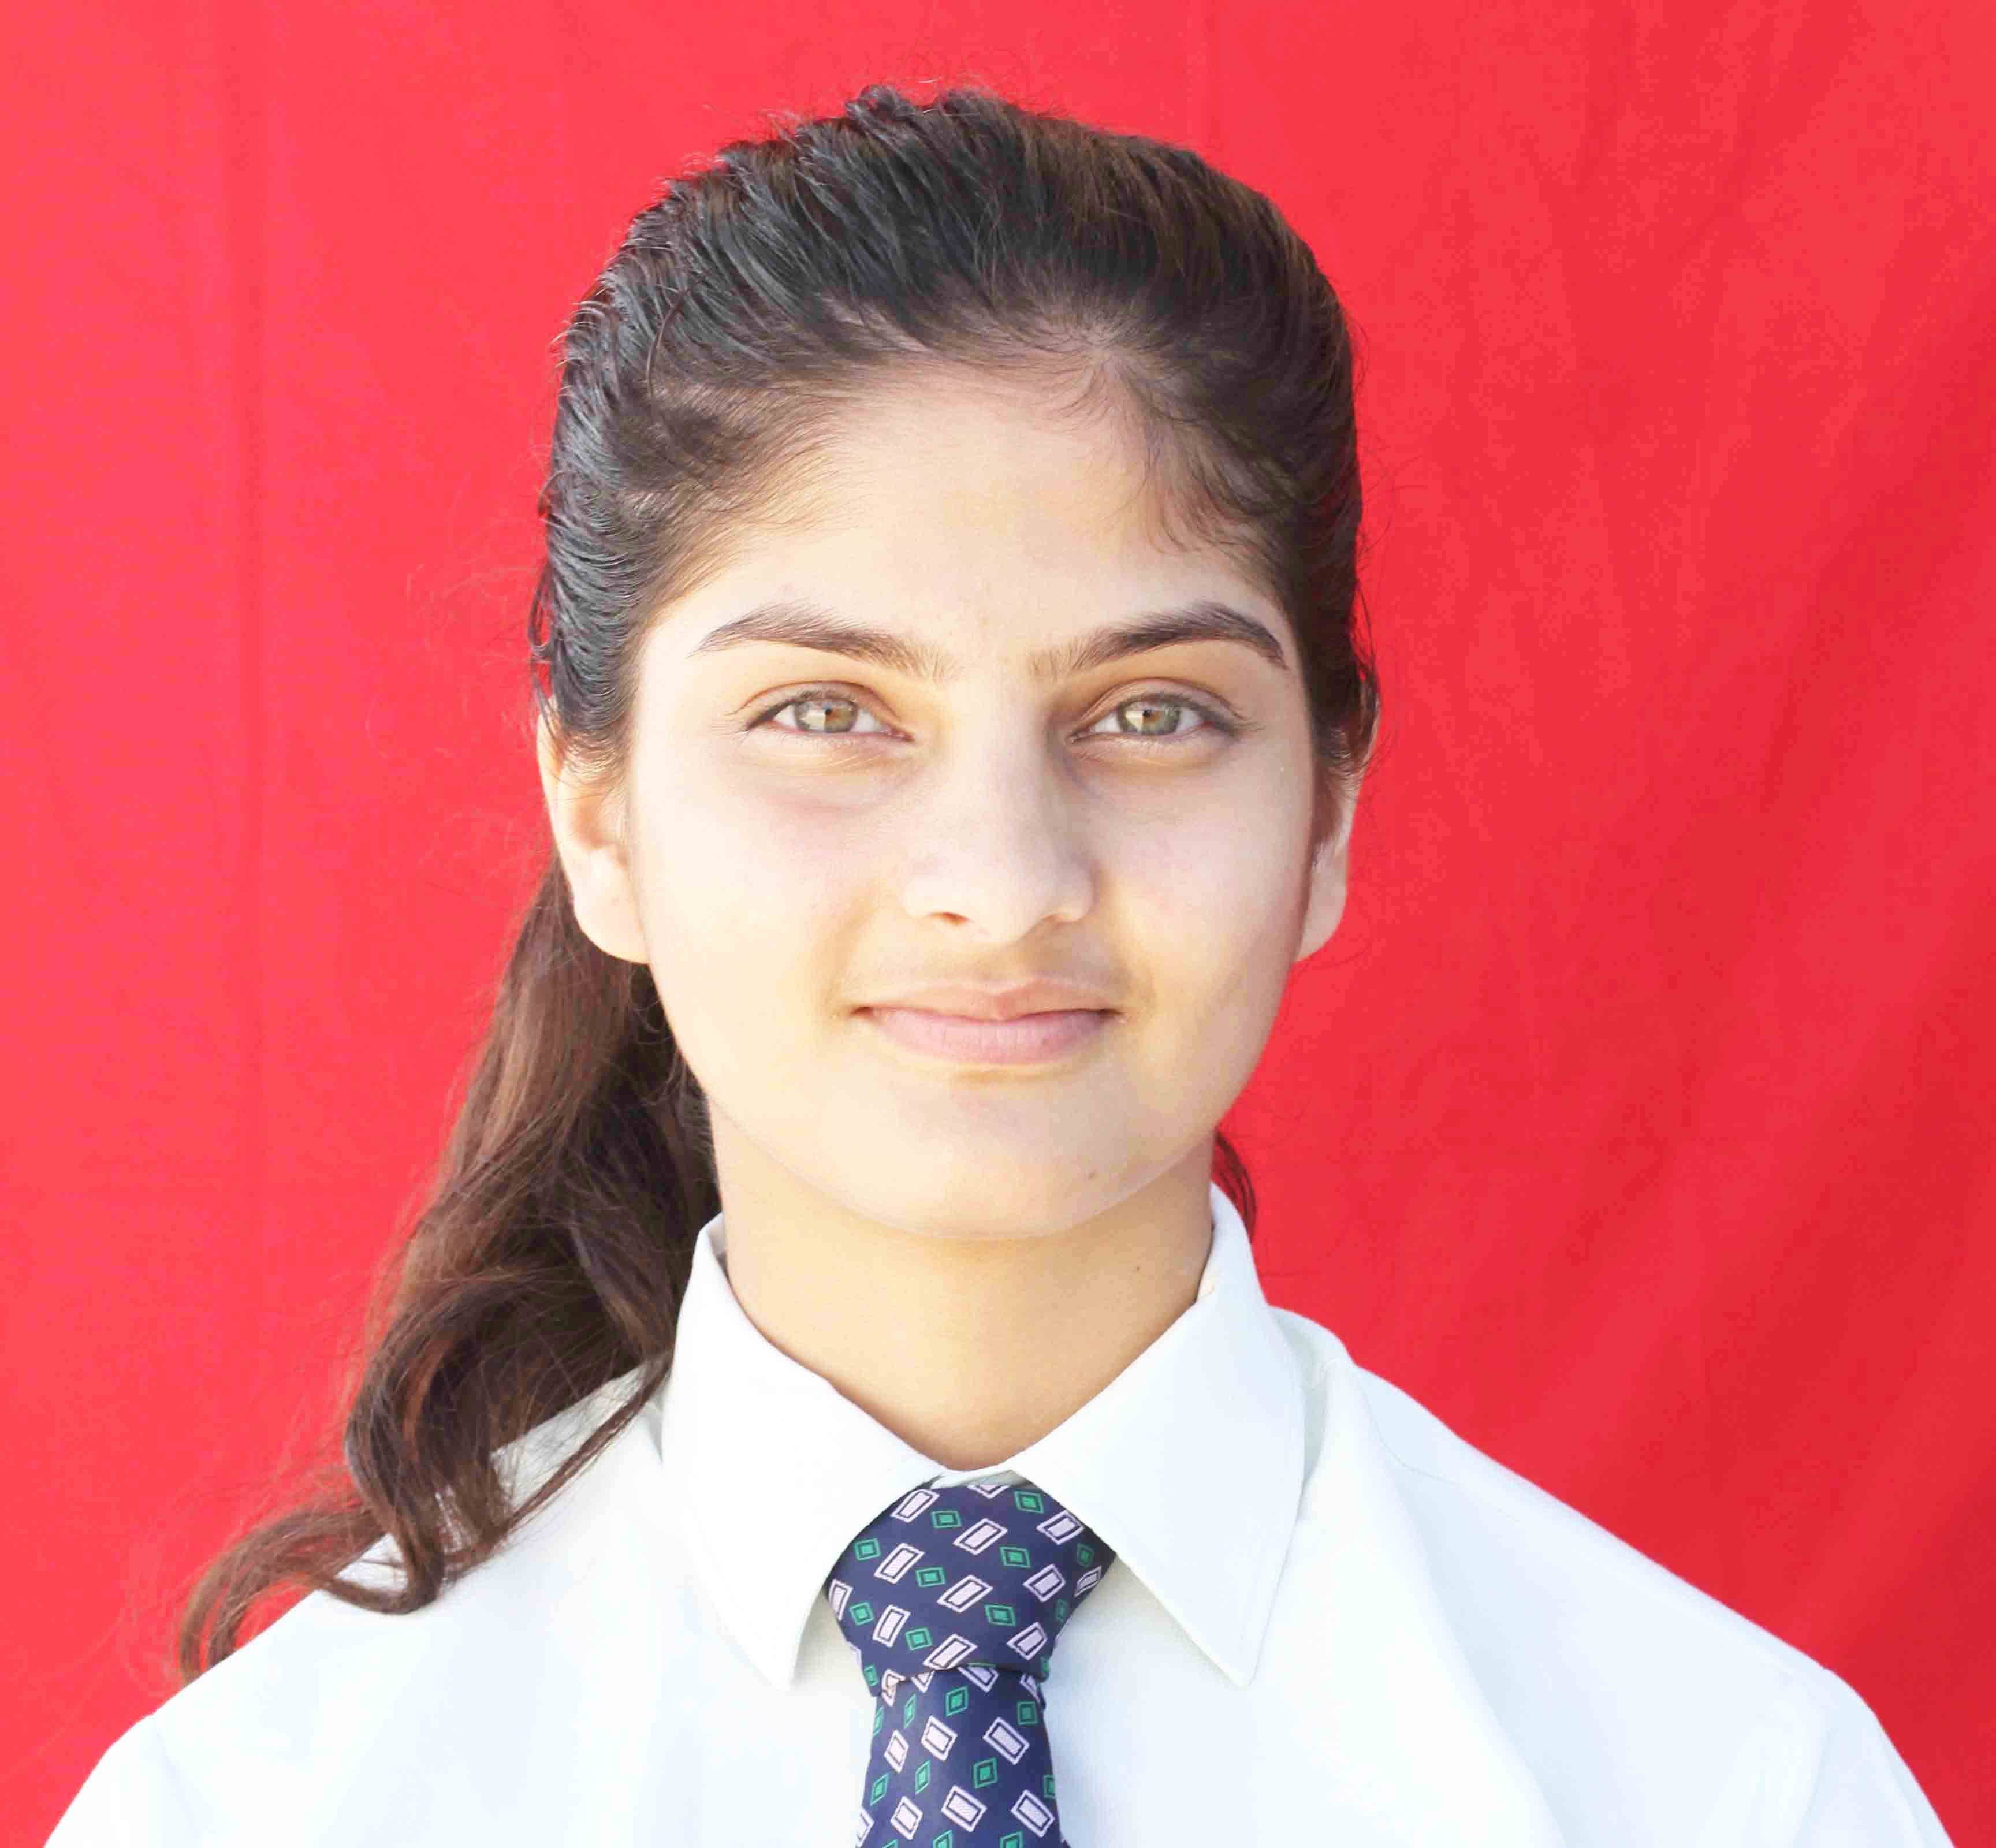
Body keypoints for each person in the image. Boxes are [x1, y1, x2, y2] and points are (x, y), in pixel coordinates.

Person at [48, 80, 1953, 1848]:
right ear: (599, 816)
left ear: (1329, 813)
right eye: (824, 712)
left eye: (1150, 714)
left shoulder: (1720, 1789)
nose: (1002, 882)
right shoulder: (258, 1812)